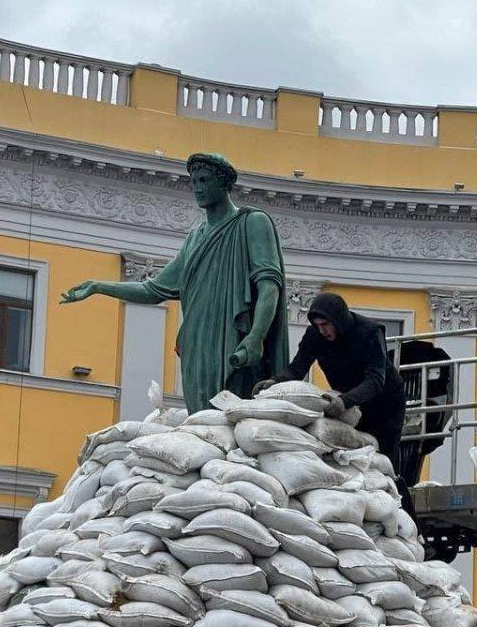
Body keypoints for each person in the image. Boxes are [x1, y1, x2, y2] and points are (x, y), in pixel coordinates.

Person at [62, 152, 289, 412]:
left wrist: (256, 336)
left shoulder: (252, 222)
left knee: (234, 417)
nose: (198, 188)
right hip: (197, 345)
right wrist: (99, 287)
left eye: (204, 180)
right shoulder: (195, 238)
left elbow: (269, 285)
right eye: (193, 182)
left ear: (224, 183)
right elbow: (152, 289)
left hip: (235, 339)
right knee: (202, 420)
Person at [256, 291, 408, 480]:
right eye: (318, 325)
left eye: (326, 325)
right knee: (351, 453)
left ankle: (398, 499)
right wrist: (275, 382)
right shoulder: (315, 335)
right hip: (348, 403)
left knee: (384, 458)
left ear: (339, 320)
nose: (322, 331)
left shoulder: (369, 332)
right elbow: (297, 368)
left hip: (384, 403)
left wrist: (344, 401)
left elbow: (375, 380)